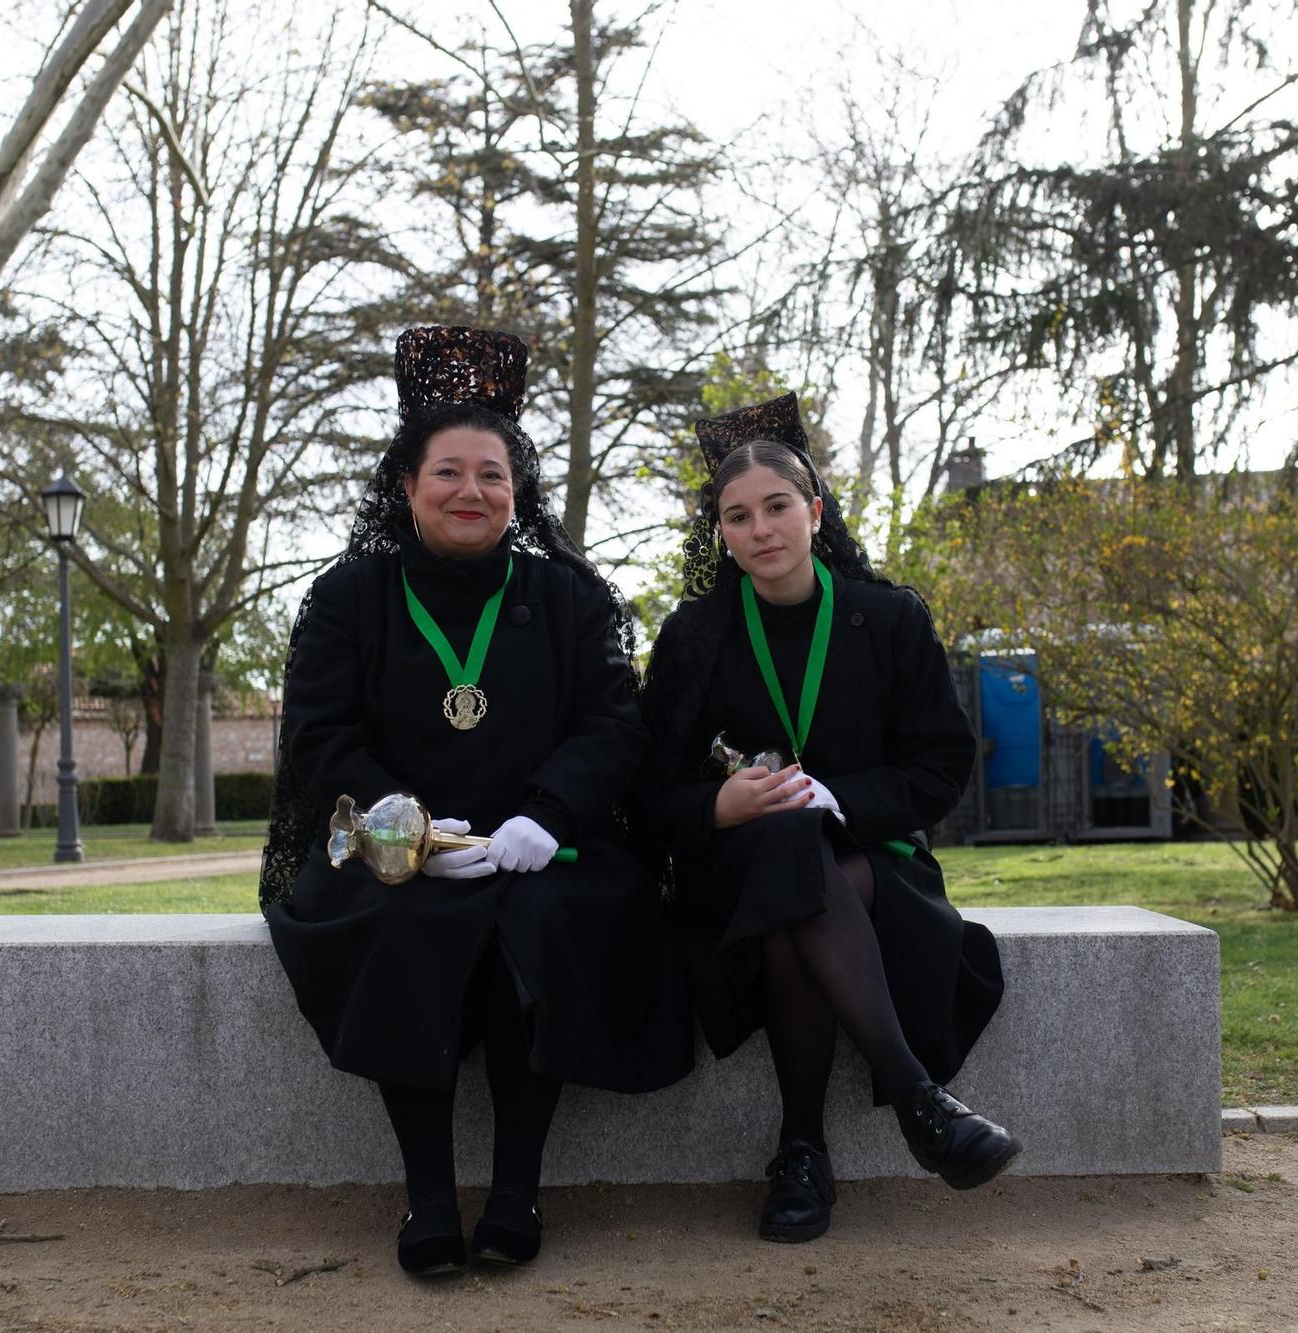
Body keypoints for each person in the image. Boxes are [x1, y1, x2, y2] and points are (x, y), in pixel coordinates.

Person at [259, 326, 692, 1277]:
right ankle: (425, 1196)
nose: (471, 491)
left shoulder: (572, 597)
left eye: (492, 474)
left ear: (517, 490)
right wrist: (405, 825)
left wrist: (549, 813)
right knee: (409, 917)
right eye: (448, 471)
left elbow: (615, 725)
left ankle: (515, 1190)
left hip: (543, 845)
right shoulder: (348, 595)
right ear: (407, 487)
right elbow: (323, 735)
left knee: (537, 919)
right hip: (388, 849)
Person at [639, 392, 1016, 1244]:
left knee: (796, 882)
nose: (760, 529)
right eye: (737, 516)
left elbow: (944, 765)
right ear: (722, 534)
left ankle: (802, 1150)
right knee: (780, 852)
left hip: (873, 864)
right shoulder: (695, 636)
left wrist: (836, 797)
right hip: (734, 874)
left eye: (777, 507)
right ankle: (919, 1101)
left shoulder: (890, 619)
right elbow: (649, 795)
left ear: (814, 511)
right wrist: (721, 803)